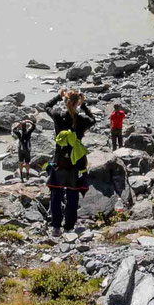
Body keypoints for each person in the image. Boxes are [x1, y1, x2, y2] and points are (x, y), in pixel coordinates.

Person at [43, 88, 94, 235]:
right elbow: (93, 120)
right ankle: (69, 227)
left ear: (65, 102)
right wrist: (84, 105)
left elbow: (46, 106)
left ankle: (56, 227)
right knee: (72, 195)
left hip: (59, 162)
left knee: (56, 195)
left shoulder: (58, 116)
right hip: (75, 163)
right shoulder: (82, 120)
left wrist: (58, 96)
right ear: (77, 103)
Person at [10, 115, 35, 183]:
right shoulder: (28, 132)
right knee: (27, 162)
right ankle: (27, 174)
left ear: (21, 127)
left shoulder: (19, 133)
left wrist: (18, 124)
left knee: (21, 162)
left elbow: (14, 129)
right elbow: (34, 126)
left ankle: (21, 174)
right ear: (26, 126)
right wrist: (29, 121)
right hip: (27, 150)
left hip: (21, 150)